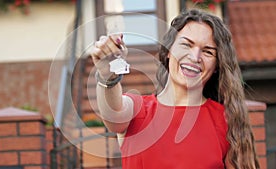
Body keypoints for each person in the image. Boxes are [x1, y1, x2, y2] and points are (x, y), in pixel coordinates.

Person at [90, 9, 259, 169]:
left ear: (216, 65)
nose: (195, 57)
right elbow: (113, 113)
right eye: (186, 45)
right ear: (169, 50)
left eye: (207, 52)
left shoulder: (225, 120)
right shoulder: (137, 110)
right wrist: (108, 75)